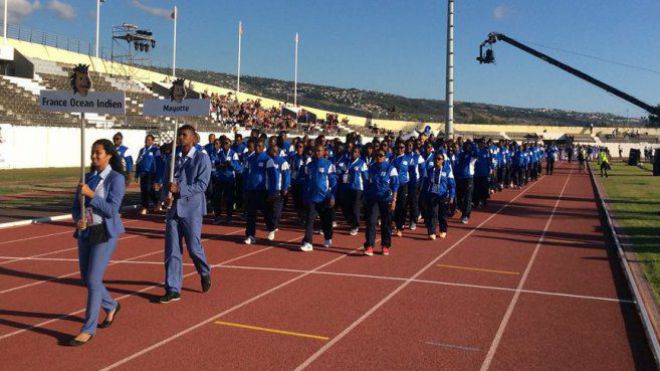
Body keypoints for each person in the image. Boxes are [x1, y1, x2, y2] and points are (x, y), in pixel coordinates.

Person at [67, 139, 126, 346]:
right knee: (86, 278)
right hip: (86, 232)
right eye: (92, 153)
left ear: (108, 155)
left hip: (104, 233)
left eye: (98, 153)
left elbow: (111, 210)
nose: (93, 157)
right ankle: (110, 305)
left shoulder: (116, 179)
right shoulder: (86, 178)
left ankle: (88, 329)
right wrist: (78, 219)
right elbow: (76, 207)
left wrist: (92, 195)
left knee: (93, 280)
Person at [159, 125, 212, 303]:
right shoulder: (172, 158)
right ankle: (173, 288)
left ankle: (204, 270)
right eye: (179, 135)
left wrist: (181, 189)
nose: (181, 138)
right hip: (173, 210)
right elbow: (166, 181)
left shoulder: (202, 158)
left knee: (193, 247)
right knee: (172, 249)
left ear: (193, 138)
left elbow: (202, 185)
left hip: (192, 209)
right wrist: (164, 198)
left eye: (184, 135)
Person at [300, 144, 337, 252]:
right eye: (316, 151)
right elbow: (306, 182)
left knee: (326, 220)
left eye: (319, 151)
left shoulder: (328, 164)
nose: (317, 153)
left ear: (324, 152)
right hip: (312, 198)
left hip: (324, 198)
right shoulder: (309, 165)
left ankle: (328, 237)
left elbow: (333, 182)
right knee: (309, 221)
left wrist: (332, 196)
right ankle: (308, 242)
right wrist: (305, 196)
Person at [363, 148, 399, 256]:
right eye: (377, 155)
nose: (379, 157)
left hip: (386, 200)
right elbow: (367, 183)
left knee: (386, 224)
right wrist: (365, 196)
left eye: (381, 155)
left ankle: (385, 245)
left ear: (385, 157)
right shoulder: (371, 168)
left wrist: (394, 200)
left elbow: (395, 185)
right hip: (373, 199)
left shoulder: (390, 168)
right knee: (371, 222)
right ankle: (369, 245)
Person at [243, 139, 271, 245]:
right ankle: (250, 235)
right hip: (251, 190)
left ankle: (271, 227)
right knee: (251, 214)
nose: (257, 148)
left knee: (266, 213)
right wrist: (246, 187)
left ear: (263, 147)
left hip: (263, 191)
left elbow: (272, 176)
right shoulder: (250, 159)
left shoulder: (267, 160)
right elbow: (245, 173)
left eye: (259, 146)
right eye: (256, 146)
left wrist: (272, 191)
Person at [422, 152, 456, 240]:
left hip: (443, 195)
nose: (437, 160)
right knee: (433, 214)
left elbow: (452, 184)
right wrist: (425, 195)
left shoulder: (447, 170)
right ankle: (432, 232)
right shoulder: (430, 170)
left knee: (443, 215)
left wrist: (451, 196)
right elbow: (425, 183)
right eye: (435, 159)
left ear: (443, 160)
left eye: (439, 159)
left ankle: (443, 230)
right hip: (432, 195)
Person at [265, 143, 291, 241]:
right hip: (269, 190)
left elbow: (286, 176)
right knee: (268, 211)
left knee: (276, 212)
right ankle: (271, 227)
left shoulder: (283, 162)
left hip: (278, 190)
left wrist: (285, 188)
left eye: (271, 150)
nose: (269, 151)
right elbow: (266, 176)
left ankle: (272, 229)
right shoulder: (268, 162)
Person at [213, 138, 242, 224]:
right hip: (220, 178)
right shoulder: (219, 153)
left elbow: (238, 168)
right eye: (223, 143)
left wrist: (230, 164)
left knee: (230, 199)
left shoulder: (234, 154)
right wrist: (220, 165)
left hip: (230, 179)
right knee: (217, 198)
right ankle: (218, 216)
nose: (224, 145)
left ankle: (229, 217)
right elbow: (216, 164)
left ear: (230, 144)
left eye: (226, 143)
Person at [135, 135, 160, 215]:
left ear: (152, 141)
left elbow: (158, 163)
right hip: (142, 173)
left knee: (149, 190)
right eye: (146, 140)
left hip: (151, 173)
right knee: (143, 191)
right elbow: (138, 162)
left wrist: (158, 176)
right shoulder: (142, 150)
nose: (147, 141)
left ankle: (156, 203)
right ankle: (145, 207)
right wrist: (136, 174)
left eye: (149, 140)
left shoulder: (155, 150)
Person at [391, 141, 411, 237]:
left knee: (402, 206)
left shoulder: (408, 159)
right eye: (398, 147)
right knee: (393, 206)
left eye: (402, 147)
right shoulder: (393, 160)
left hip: (403, 185)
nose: (400, 149)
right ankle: (394, 222)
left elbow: (413, 172)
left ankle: (400, 226)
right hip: (394, 186)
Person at [455, 141, 477, 224]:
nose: (466, 147)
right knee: (460, 197)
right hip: (460, 178)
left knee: (467, 197)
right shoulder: (461, 155)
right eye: (464, 146)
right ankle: (463, 211)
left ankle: (466, 215)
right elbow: (457, 165)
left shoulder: (472, 156)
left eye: (467, 146)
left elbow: (476, 153)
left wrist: (472, 143)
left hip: (469, 178)